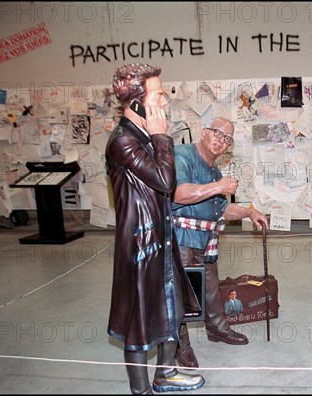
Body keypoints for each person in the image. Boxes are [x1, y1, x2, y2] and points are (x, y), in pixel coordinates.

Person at [105, 63, 204, 394]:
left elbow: (166, 184)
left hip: (161, 237)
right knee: (139, 317)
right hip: (139, 244)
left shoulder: (144, 137)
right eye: (158, 96)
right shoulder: (122, 141)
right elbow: (165, 180)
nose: (164, 102)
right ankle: (141, 389)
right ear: (136, 103)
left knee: (170, 306)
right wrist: (162, 136)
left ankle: (166, 373)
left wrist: (159, 137)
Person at [172, 117, 268, 362]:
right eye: (218, 133)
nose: (221, 140)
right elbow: (178, 194)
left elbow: (221, 209)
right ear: (204, 132)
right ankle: (179, 343)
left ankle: (216, 327)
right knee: (180, 292)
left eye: (228, 138)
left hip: (205, 239)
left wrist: (248, 212)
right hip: (181, 236)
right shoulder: (182, 154)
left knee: (211, 288)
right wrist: (217, 186)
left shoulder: (214, 170)